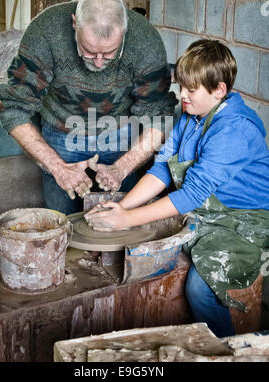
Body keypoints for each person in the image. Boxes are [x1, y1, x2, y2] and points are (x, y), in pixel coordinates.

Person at [85, 39, 269, 337]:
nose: (181, 95)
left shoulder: (235, 130)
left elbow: (192, 193)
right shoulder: (191, 115)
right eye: (180, 86)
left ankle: (224, 351)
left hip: (245, 221)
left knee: (200, 288)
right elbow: (161, 168)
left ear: (219, 90)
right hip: (205, 211)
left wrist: (128, 221)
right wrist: (124, 206)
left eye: (191, 89)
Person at [0, 0, 177, 215]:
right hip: (61, 133)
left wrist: (122, 168)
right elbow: (14, 110)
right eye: (89, 52)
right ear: (75, 24)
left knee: (123, 218)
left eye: (110, 53)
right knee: (62, 218)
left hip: (121, 134)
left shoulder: (145, 41)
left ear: (124, 30)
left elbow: (159, 118)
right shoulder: (45, 31)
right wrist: (57, 167)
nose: (99, 63)